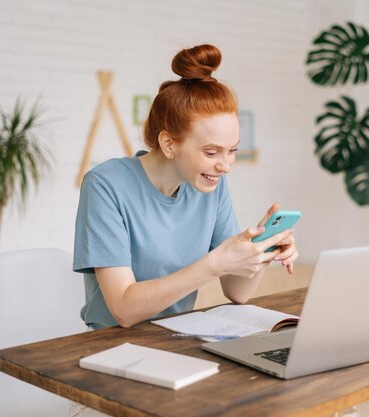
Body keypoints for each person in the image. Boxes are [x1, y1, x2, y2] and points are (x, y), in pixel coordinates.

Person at [73, 44, 298, 332]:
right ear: (169, 144)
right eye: (211, 152)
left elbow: (236, 291)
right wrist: (213, 265)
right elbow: (124, 310)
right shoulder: (105, 186)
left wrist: (261, 249)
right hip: (109, 345)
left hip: (176, 338)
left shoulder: (210, 185)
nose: (225, 165)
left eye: (231, 151)